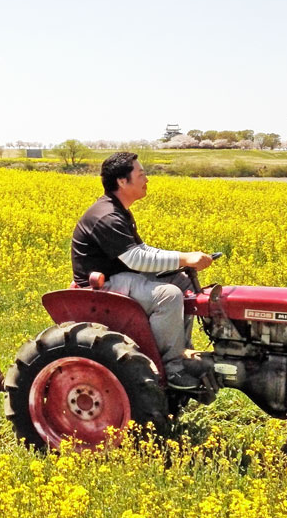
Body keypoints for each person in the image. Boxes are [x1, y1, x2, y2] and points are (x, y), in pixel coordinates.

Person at [71, 152, 213, 390]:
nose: (147, 180)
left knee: (182, 282)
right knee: (169, 295)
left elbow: (141, 249)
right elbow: (136, 258)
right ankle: (170, 371)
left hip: (121, 275)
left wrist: (182, 261)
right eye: (141, 175)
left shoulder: (118, 209)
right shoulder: (107, 216)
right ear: (122, 181)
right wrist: (185, 258)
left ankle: (181, 352)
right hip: (104, 283)